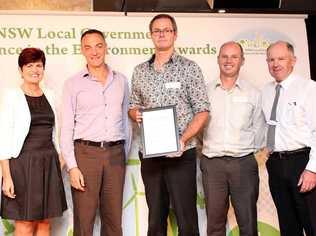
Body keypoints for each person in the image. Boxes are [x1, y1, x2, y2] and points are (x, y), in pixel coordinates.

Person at [128, 14, 209, 236]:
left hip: (182, 153)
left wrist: (181, 141)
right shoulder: (140, 71)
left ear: (175, 34)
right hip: (151, 156)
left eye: (167, 30)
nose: (162, 34)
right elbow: (133, 106)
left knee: (186, 217)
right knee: (155, 218)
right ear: (151, 35)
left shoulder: (190, 68)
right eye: (157, 30)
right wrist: (136, 114)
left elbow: (202, 111)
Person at [60, 29, 130, 236]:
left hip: (115, 155)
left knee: (113, 220)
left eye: (98, 45)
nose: (94, 51)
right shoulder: (72, 84)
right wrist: (72, 167)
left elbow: (126, 121)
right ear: (82, 50)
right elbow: (66, 128)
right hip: (85, 156)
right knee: (84, 219)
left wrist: (122, 153)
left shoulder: (121, 81)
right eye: (88, 47)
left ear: (105, 47)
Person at [0, 47, 67, 236]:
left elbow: (57, 131)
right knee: (25, 222)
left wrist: (60, 160)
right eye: (29, 65)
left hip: (48, 163)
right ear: (21, 70)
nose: (35, 70)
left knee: (45, 222)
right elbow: (4, 136)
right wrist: (6, 176)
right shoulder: (12, 96)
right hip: (22, 165)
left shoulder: (51, 95)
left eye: (39, 65)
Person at [201, 41, 265, 236]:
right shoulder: (205, 91)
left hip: (243, 164)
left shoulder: (254, 93)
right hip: (212, 165)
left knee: (247, 223)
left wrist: (249, 155)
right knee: (215, 223)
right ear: (218, 59)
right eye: (224, 56)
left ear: (242, 61)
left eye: (234, 56)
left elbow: (259, 129)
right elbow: (196, 126)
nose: (229, 61)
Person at [262, 40, 316, 236]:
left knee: (311, 223)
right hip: (276, 164)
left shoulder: (309, 88)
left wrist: (312, 169)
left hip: (302, 163)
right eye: (271, 59)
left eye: (281, 58)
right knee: (287, 226)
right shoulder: (266, 92)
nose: (275, 64)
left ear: (293, 60)